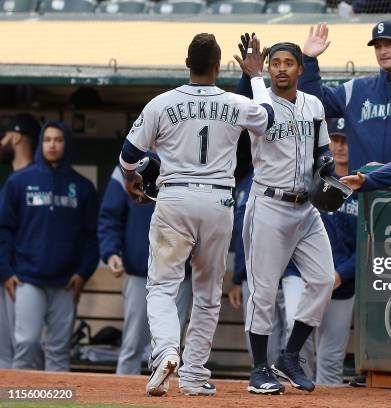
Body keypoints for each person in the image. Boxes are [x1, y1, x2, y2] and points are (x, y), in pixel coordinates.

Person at [118, 33, 273, 397]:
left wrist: (140, 172)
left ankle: (167, 351)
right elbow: (267, 118)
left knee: (162, 285)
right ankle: (193, 375)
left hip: (174, 199)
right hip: (219, 201)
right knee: (206, 292)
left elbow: (127, 156)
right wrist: (254, 75)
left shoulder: (161, 103)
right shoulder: (235, 101)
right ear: (218, 67)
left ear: (187, 64)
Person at [235, 38, 335, 395]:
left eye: (287, 62)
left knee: (324, 280)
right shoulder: (256, 103)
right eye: (274, 62)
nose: (280, 68)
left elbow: (323, 148)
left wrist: (328, 168)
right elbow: (255, 110)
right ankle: (259, 369)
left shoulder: (314, 104)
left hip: (306, 208)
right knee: (263, 292)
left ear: (299, 69)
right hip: (270, 204)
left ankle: (290, 356)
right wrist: (250, 75)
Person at [0, 121, 99, 371]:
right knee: (27, 344)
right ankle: (19, 402)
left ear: (67, 143)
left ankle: (57, 401)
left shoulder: (82, 187)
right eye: (47, 140)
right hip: (27, 279)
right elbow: (3, 230)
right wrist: (7, 272)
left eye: (58, 140)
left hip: (65, 282)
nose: (52, 145)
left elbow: (92, 236)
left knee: (58, 351)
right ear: (40, 143)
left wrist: (82, 273)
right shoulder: (18, 182)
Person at [97, 159, 194, 375]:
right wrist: (111, 252)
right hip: (140, 272)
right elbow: (110, 218)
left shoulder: (188, 162)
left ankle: (169, 397)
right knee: (132, 345)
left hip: (179, 274)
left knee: (171, 348)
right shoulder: (127, 167)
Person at [299, 20, 391, 172]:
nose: (382, 51)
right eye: (378, 46)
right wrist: (308, 60)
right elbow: (314, 103)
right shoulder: (356, 89)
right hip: (363, 191)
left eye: (389, 44)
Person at [228, 167, 286, 368]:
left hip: (289, 273)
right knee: (263, 352)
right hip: (258, 274)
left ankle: (296, 394)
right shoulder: (246, 182)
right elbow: (242, 235)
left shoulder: (294, 175)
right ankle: (265, 384)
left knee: (292, 347)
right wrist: (238, 278)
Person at [315, 118, 358, 386]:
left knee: (330, 359)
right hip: (310, 280)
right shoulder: (315, 180)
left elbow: (369, 244)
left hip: (343, 285)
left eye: (346, 141)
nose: (340, 147)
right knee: (298, 352)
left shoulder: (363, 185)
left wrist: (341, 274)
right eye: (335, 140)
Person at [0, 113, 41, 369]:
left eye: (3, 136)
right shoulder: (13, 179)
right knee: (6, 352)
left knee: (26, 348)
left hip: (22, 278)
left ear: (15, 137)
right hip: (8, 275)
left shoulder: (31, 179)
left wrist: (11, 271)